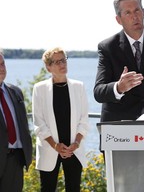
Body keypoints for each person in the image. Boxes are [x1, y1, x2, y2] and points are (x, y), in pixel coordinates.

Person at [32, 47, 89, 192]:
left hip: (73, 149)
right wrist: (55, 146)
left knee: (74, 188)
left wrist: (76, 143)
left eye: (64, 60)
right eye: (57, 62)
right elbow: (39, 123)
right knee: (47, 189)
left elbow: (84, 120)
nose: (62, 64)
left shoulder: (79, 86)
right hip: (49, 147)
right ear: (48, 67)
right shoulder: (39, 89)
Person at [0, 49, 32, 191]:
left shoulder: (15, 92)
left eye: (2, 64)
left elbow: (23, 125)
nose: (1, 68)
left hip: (16, 159)